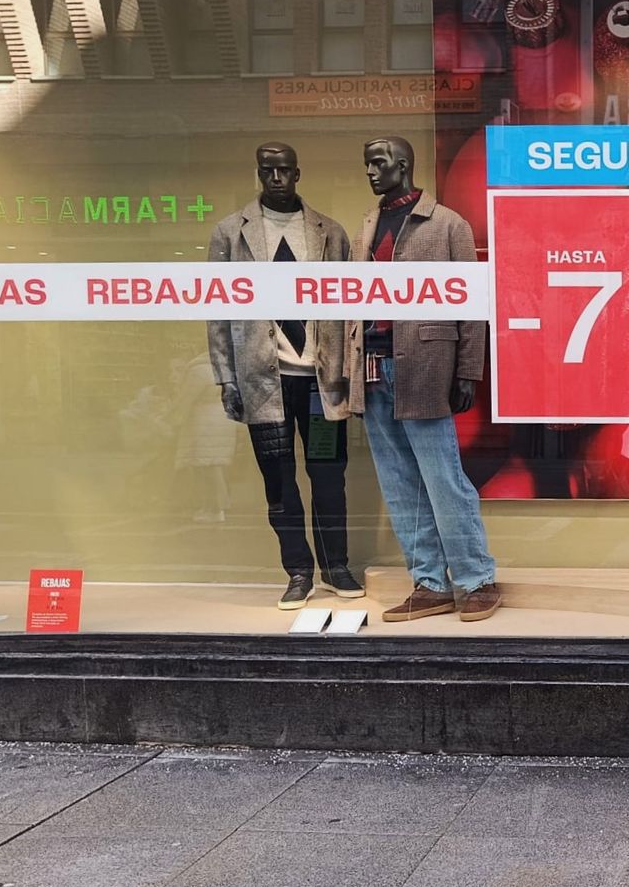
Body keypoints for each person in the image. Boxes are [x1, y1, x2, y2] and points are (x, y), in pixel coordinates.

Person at [344, 136, 502, 623]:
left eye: (379, 162)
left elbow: (472, 306)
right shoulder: (366, 226)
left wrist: (467, 371)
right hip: (372, 365)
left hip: (426, 365)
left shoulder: (447, 224)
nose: (371, 171)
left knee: (443, 477)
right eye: (367, 163)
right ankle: (430, 581)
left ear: (403, 165)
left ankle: (476, 578)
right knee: (398, 483)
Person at [207, 142, 361, 611]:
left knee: (328, 476)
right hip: (263, 382)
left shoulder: (329, 233)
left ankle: (336, 565)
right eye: (267, 171)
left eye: (284, 170)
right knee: (279, 481)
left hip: (319, 381)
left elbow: (351, 307)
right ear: (258, 173)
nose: (276, 178)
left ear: (298, 173)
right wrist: (226, 377)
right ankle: (298, 570)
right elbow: (216, 308)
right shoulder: (231, 233)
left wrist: (349, 374)